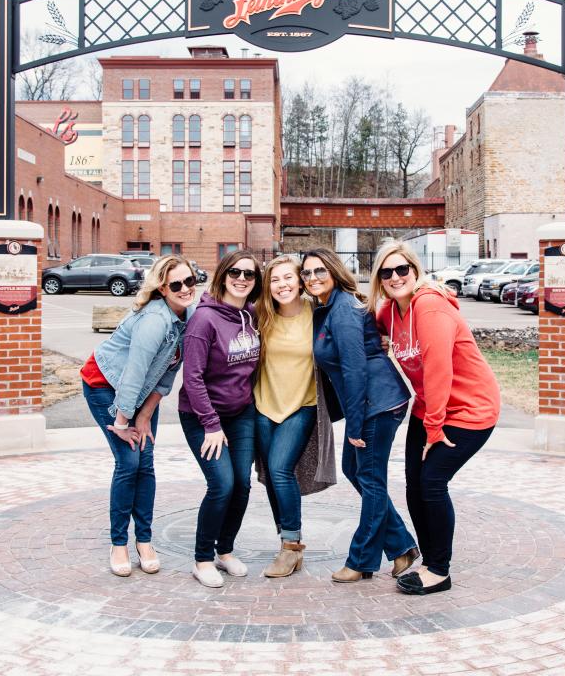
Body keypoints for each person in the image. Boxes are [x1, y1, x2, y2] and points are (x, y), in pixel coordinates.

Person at [369, 242, 501, 596]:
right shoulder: (390, 312)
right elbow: (370, 322)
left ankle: (439, 571)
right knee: (414, 484)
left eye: (402, 270)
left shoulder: (427, 306)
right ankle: (429, 562)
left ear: (415, 270)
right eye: (387, 272)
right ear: (379, 279)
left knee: (431, 483)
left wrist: (434, 429)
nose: (396, 277)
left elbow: (439, 370)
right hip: (429, 407)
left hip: (470, 408)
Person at [300, 247, 418, 584]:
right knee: (356, 470)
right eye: (306, 273)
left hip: (377, 404)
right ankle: (401, 547)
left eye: (319, 271)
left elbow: (354, 370)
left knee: (370, 478)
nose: (312, 278)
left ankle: (362, 559)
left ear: (334, 271)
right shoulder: (328, 307)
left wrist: (354, 424)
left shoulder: (344, 310)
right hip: (370, 403)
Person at [81, 255, 198, 578]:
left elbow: (167, 374)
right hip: (105, 384)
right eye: (176, 284)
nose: (185, 288)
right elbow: (133, 374)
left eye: (190, 280)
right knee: (129, 462)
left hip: (140, 394)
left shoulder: (188, 317)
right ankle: (119, 543)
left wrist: (145, 414)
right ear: (162, 288)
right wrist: (122, 422)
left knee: (145, 462)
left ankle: (144, 541)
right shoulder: (154, 321)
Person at [179, 250, 263, 588]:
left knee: (242, 485)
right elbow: (193, 377)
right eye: (236, 272)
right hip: (202, 416)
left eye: (250, 274)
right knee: (222, 485)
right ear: (223, 275)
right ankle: (202, 560)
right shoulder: (204, 320)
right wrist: (211, 425)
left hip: (240, 413)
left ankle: (224, 551)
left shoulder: (252, 314)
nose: (242, 279)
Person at [253, 255, 337, 578]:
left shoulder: (316, 315)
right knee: (271, 478)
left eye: (288, 278)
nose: (282, 285)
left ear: (300, 281)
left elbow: (352, 318)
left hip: (302, 406)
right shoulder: (261, 315)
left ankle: (291, 547)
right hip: (263, 406)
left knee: (279, 467)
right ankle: (286, 539)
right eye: (275, 280)